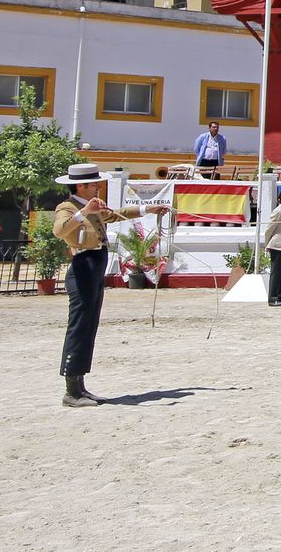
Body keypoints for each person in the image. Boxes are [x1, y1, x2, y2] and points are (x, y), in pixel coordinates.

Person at [50, 163, 169, 406]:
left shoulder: (92, 207)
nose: (96, 188)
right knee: (79, 325)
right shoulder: (68, 207)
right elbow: (59, 231)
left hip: (95, 265)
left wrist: (149, 208)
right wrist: (84, 212)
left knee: (89, 323)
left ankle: (80, 386)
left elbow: (117, 214)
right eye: (93, 184)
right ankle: (71, 389)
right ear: (80, 186)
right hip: (82, 266)